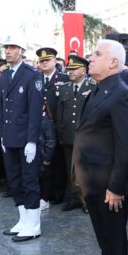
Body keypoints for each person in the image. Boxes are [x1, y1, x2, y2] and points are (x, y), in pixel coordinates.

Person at [73, 39, 128, 255]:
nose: (91, 58)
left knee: (113, 236)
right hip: (93, 179)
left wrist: (116, 187)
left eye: (97, 54)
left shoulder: (121, 93)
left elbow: (127, 145)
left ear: (113, 62)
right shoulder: (99, 90)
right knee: (102, 234)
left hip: (109, 184)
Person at [0, 36, 44, 242]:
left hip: (26, 139)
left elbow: (35, 111)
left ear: (21, 51)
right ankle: (23, 220)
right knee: (14, 181)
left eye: (12, 47)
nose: (8, 51)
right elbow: (3, 108)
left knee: (29, 181)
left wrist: (32, 140)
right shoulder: (5, 75)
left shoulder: (32, 75)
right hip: (10, 138)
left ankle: (34, 224)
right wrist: (2, 135)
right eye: (6, 47)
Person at [56, 53, 92, 212]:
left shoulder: (92, 87)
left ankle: (86, 201)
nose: (70, 71)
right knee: (68, 168)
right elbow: (60, 113)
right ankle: (73, 199)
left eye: (74, 69)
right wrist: (60, 134)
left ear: (84, 71)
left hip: (85, 137)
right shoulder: (64, 88)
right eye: (69, 69)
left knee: (84, 170)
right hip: (68, 135)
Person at [36, 47, 69, 204]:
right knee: (43, 161)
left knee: (59, 162)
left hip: (59, 126)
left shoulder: (64, 78)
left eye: (47, 60)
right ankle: (45, 194)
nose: (44, 63)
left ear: (55, 61)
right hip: (40, 127)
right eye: (41, 61)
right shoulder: (36, 79)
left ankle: (58, 194)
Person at [38, 100, 57, 211]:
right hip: (36, 156)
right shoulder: (34, 119)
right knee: (38, 177)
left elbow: (50, 141)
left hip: (43, 156)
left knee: (45, 178)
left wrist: (47, 157)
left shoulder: (46, 122)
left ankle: (45, 200)